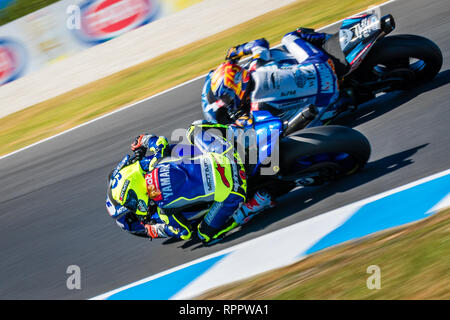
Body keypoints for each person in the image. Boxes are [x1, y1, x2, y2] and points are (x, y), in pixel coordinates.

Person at [106, 122, 276, 245]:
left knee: (204, 236)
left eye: (131, 203)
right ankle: (242, 131)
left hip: (234, 189)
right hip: (224, 154)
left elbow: (184, 232)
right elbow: (159, 142)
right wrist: (142, 141)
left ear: (136, 198)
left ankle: (251, 206)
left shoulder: (164, 210)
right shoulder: (154, 162)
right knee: (194, 129)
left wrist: (155, 230)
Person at [202, 28, 352, 125]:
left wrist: (238, 118)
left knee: (288, 130)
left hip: (327, 98)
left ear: (238, 85)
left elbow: (250, 126)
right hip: (321, 64)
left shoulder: (257, 107)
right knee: (290, 37)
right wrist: (235, 52)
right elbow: (259, 43)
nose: (226, 101)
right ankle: (337, 41)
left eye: (227, 96)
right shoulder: (258, 65)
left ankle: (338, 106)